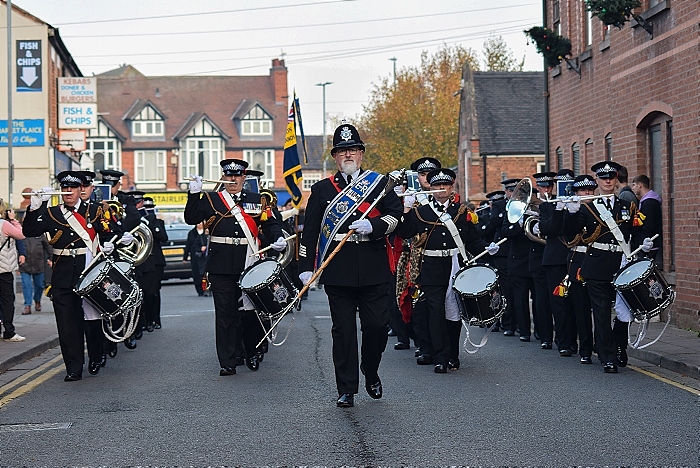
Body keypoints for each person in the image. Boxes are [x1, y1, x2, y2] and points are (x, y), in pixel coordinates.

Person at [298, 123, 402, 408]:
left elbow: (396, 217)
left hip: (374, 266)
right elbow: (309, 230)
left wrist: (374, 225)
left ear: (361, 153)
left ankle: (370, 370)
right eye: (342, 151)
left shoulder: (380, 184)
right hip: (338, 268)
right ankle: (346, 388)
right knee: (343, 331)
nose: (348, 155)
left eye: (352, 150)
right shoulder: (321, 190)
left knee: (377, 328)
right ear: (335, 156)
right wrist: (306, 265)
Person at [22, 172, 130, 380]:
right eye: (65, 188)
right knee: (67, 323)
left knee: (92, 318)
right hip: (63, 274)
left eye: (73, 188)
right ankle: (73, 367)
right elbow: (30, 231)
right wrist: (36, 207)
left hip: (89, 271)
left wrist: (110, 244)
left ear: (81, 190)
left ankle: (96, 356)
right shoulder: (51, 212)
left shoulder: (96, 210)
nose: (68, 192)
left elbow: (112, 230)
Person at [184, 159, 286, 376]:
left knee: (250, 312)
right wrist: (193, 194)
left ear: (243, 178)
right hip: (221, 264)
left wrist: (277, 238)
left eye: (237, 176)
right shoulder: (212, 199)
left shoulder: (256, 200)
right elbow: (191, 218)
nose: (232, 180)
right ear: (223, 177)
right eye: (228, 176)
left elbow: (269, 224)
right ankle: (228, 361)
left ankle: (252, 351)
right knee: (225, 313)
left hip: (249, 262)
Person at [398, 168, 497, 373]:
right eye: (436, 186)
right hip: (431, 266)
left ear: (452, 188)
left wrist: (488, 249)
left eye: (445, 185)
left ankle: (453, 355)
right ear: (430, 188)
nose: (441, 189)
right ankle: (440, 357)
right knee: (436, 312)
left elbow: (472, 240)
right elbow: (405, 232)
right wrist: (406, 209)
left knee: (454, 312)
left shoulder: (461, 212)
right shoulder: (420, 211)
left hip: (455, 265)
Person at [564, 161, 650, 373]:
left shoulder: (626, 206)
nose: (608, 181)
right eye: (603, 178)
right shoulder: (587, 207)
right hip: (597, 263)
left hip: (622, 263)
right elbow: (571, 236)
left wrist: (643, 243)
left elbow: (635, 232)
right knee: (601, 313)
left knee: (624, 313)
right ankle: (607, 357)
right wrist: (571, 213)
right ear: (597, 181)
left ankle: (619, 345)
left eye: (611, 177)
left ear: (616, 179)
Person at [538, 169, 577, 356]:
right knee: (558, 302)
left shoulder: (580, 202)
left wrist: (574, 210)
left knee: (577, 302)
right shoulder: (547, 206)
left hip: (576, 256)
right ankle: (563, 341)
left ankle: (578, 341)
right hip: (555, 259)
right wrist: (559, 209)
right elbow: (549, 230)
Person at [0, 201, 27, 342]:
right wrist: (13, 220)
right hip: (3, 269)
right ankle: (9, 332)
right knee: (7, 300)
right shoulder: (4, 225)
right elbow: (21, 235)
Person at [143, 197, 167, 328]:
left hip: (156, 261)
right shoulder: (138, 222)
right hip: (143, 261)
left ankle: (156, 320)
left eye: (150, 208)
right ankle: (146, 321)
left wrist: (152, 224)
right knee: (145, 292)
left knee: (155, 292)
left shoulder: (158, 222)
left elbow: (164, 238)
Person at [19, 230, 51, 315]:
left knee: (40, 285)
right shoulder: (20, 232)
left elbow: (47, 246)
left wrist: (51, 258)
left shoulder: (39, 234)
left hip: (38, 264)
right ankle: (27, 305)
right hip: (25, 265)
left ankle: (37, 300)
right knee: (26, 285)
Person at [631, 174, 662, 259]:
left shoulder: (650, 203)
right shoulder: (646, 201)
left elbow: (649, 225)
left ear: (640, 185)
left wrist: (644, 239)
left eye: (634, 185)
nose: (632, 188)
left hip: (649, 244)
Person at [185, 222, 209, 296]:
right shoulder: (192, 233)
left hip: (206, 257)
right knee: (196, 274)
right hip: (196, 256)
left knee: (205, 273)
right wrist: (185, 257)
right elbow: (188, 244)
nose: (199, 224)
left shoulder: (207, 232)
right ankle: (199, 289)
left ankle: (207, 288)